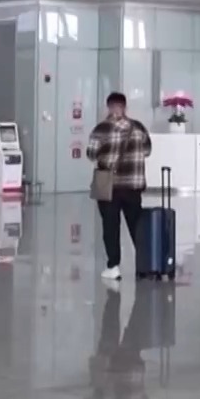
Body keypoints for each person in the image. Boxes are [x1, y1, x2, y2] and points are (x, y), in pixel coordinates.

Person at [85, 92, 152, 281]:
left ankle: (113, 267)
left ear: (109, 107)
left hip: (109, 187)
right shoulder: (138, 127)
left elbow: (91, 154)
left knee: (111, 227)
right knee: (136, 225)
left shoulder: (101, 129)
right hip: (133, 186)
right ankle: (145, 265)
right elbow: (147, 151)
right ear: (125, 107)